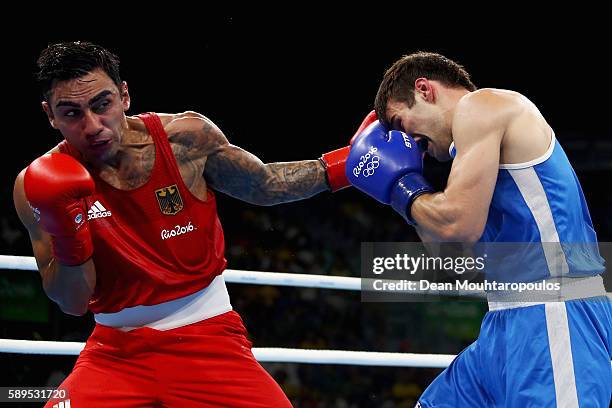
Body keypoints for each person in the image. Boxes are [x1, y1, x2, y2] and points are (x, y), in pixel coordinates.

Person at [13, 41, 374, 407]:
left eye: (101, 104)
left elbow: (265, 184)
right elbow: (73, 302)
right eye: (71, 113)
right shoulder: (35, 186)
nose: (92, 126)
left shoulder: (184, 139)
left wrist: (350, 163)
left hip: (208, 339)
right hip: (114, 352)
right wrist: (66, 229)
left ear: (124, 96)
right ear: (50, 115)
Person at [347, 52, 611, 406]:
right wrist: (404, 187)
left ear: (424, 89)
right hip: (504, 320)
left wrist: (400, 188)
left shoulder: (482, 105)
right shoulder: (471, 158)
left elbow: (457, 224)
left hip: (555, 312)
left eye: (400, 123)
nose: (405, 141)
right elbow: (450, 254)